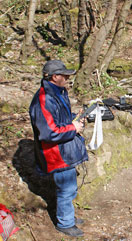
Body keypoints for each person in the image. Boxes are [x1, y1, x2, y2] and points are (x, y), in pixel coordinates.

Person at [29, 60, 88, 237]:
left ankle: (67, 215)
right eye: (65, 75)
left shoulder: (58, 92)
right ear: (55, 77)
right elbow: (49, 133)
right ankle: (65, 223)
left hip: (65, 149)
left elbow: (59, 119)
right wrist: (73, 128)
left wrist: (74, 119)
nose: (68, 78)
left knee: (69, 188)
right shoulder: (44, 99)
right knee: (66, 188)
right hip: (55, 154)